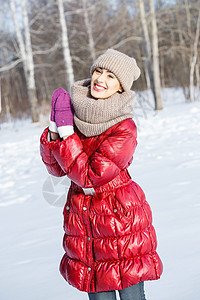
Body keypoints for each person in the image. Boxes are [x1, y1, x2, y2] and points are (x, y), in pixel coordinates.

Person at [40, 49, 163, 300]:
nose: (100, 79)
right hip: (84, 219)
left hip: (120, 220)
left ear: (120, 87)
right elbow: (56, 169)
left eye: (110, 76)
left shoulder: (124, 127)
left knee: (131, 296)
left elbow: (90, 176)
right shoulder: (74, 115)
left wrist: (66, 133)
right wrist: (54, 130)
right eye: (98, 71)